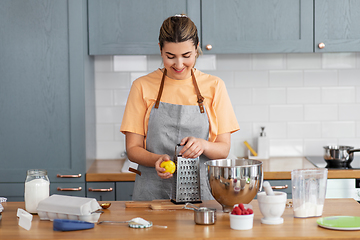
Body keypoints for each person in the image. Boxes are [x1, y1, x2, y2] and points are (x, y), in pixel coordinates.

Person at [120, 14, 239, 201]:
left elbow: (223, 149)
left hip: (202, 195)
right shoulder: (142, 86)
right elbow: (133, 148)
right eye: (170, 56)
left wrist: (203, 145)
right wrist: (156, 160)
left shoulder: (215, 86)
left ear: (197, 48)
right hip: (152, 196)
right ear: (160, 49)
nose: (179, 64)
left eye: (186, 56)